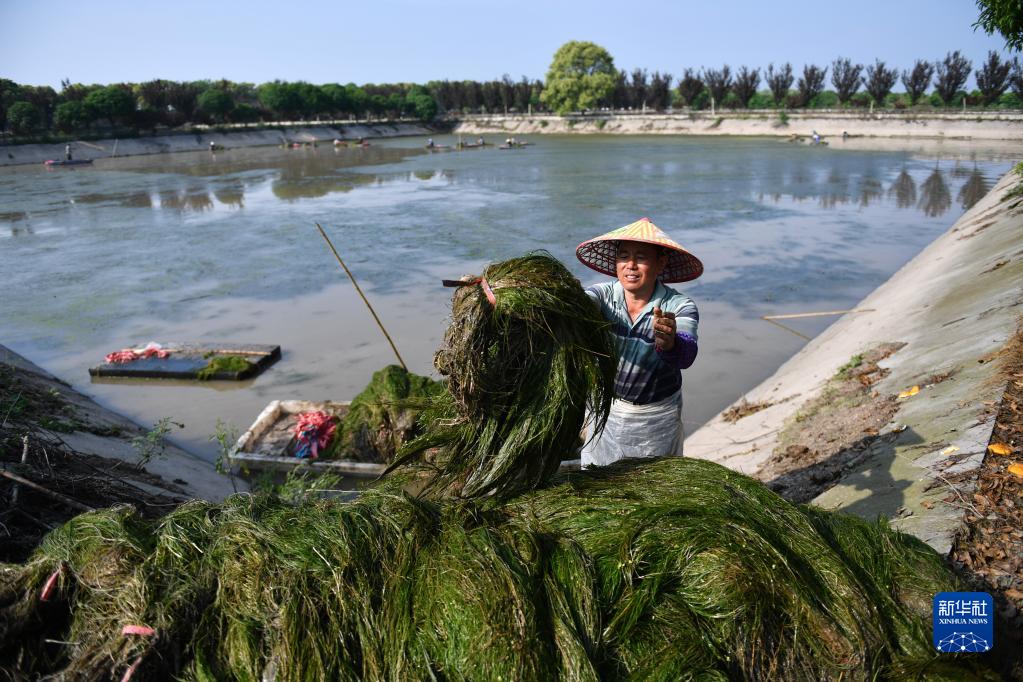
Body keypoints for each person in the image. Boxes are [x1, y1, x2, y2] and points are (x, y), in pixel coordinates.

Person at [575, 217, 702, 467]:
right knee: (597, 478)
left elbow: (686, 355)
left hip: (656, 417)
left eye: (641, 258)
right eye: (624, 256)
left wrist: (669, 343)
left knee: (652, 484)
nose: (631, 265)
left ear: (660, 263)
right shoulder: (602, 295)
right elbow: (578, 305)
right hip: (607, 410)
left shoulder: (679, 306)